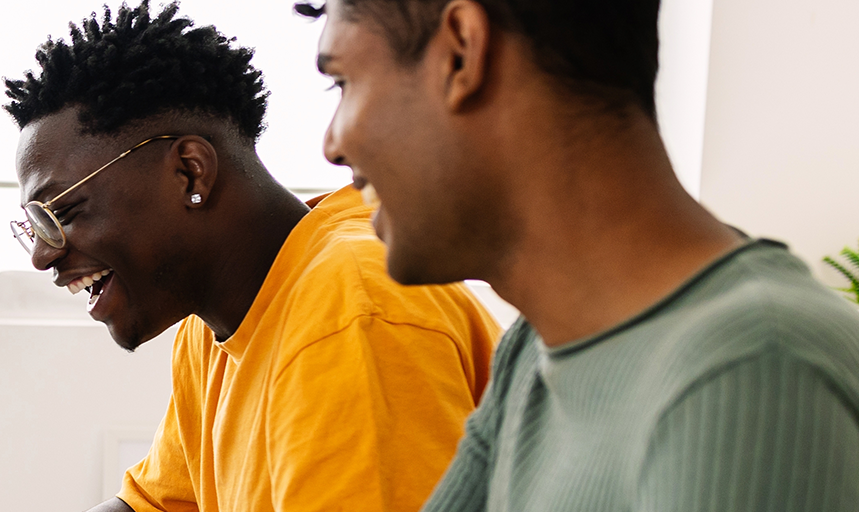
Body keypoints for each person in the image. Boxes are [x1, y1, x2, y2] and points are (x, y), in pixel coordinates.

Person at [301, 0, 859, 510]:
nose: (331, 144)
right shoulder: (538, 350)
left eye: (343, 83)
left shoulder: (751, 375)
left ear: (461, 53)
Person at [2, 2, 502, 511]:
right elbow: (153, 506)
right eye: (36, 224)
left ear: (190, 173)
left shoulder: (351, 310)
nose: (43, 256)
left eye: (62, 213)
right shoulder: (214, 325)